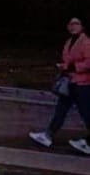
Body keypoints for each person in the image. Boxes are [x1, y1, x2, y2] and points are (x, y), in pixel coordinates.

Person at [29, 17, 90, 155]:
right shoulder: (69, 42)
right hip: (71, 82)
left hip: (82, 84)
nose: (73, 26)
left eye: (76, 23)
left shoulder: (86, 43)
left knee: (86, 113)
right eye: (70, 24)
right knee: (61, 110)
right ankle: (48, 135)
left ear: (82, 26)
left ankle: (87, 143)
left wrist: (70, 67)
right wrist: (64, 67)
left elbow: (88, 63)